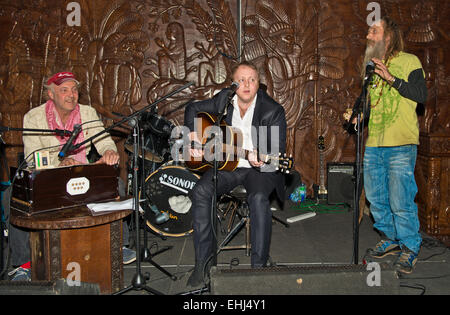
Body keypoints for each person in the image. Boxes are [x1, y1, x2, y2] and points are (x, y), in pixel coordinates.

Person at [7, 71, 136, 281]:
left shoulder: (87, 112)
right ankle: (24, 265)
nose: (71, 95)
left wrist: (109, 152)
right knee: (16, 198)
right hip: (49, 178)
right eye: (64, 90)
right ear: (51, 94)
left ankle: (118, 247)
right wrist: (61, 163)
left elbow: (102, 139)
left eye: (74, 90)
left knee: (118, 186)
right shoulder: (34, 117)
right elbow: (34, 157)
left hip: (82, 174)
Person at [183, 61, 287, 287]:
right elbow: (192, 108)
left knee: (258, 198)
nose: (246, 84)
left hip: (258, 170)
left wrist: (261, 157)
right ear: (233, 84)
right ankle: (204, 262)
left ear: (258, 83)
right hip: (227, 167)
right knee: (201, 191)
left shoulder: (273, 111)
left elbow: (277, 153)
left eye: (252, 80)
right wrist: (192, 133)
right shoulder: (223, 100)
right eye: (241, 80)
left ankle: (258, 269)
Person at [352, 18, 427, 274]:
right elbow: (365, 100)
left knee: (400, 199)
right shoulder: (370, 66)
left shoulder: (410, 61)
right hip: (374, 143)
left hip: (401, 143)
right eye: (369, 31)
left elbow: (421, 95)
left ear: (389, 36)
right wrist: (357, 114)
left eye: (374, 30)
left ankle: (410, 247)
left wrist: (392, 78)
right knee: (376, 198)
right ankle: (391, 238)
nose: (369, 34)